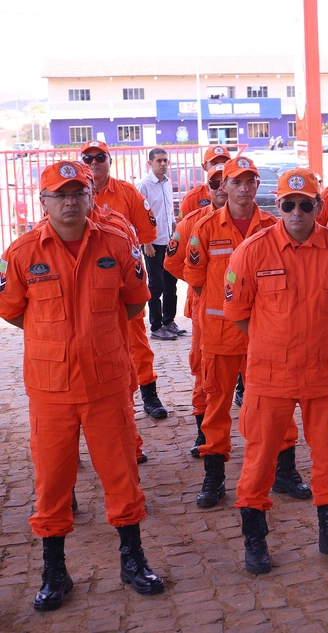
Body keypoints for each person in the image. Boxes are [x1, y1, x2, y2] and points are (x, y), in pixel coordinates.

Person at [0, 162, 164, 611]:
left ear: (92, 197)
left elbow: (133, 304)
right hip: (51, 390)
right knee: (52, 482)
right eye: (60, 194)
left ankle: (132, 559)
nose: (70, 202)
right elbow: (12, 310)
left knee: (121, 475)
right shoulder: (20, 252)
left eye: (78, 193)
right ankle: (55, 571)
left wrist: (96, 338)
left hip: (107, 384)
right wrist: (57, 342)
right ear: (44, 202)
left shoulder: (117, 243)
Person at [226, 168, 328, 572]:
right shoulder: (253, 251)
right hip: (270, 377)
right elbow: (238, 313)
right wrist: (275, 342)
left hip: (323, 374)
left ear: (320, 206)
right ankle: (255, 540)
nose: (297, 212)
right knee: (259, 460)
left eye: (306, 204)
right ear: (278, 205)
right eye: (289, 204)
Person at [184, 157, 309, 507]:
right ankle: (214, 476)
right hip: (220, 336)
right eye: (236, 181)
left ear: (257, 186)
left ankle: (285, 470)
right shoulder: (205, 228)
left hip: (263, 337)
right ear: (224, 185)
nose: (244, 187)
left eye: (250, 181)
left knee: (277, 406)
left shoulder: (273, 225)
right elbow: (195, 280)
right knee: (217, 407)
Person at [81, 140, 169, 424]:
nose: (94, 163)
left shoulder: (128, 193)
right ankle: (98, 402)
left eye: (100, 157)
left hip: (125, 279)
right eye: (88, 158)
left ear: (109, 160)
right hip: (85, 284)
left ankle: (148, 392)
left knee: (136, 338)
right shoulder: (72, 193)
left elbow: (146, 233)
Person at [166, 163, 229, 457]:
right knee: (205, 373)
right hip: (208, 312)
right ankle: (204, 434)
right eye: (214, 183)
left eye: (224, 182)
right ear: (208, 187)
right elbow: (172, 262)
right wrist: (204, 286)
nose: (220, 189)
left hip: (251, 316)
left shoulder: (263, 224)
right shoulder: (193, 223)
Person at [136, 148, 182, 341]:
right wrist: (146, 243)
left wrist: (175, 230)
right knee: (156, 285)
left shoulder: (167, 182)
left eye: (165, 160)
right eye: (159, 161)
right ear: (150, 163)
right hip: (152, 243)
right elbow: (138, 216)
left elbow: (169, 210)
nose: (163, 164)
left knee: (171, 283)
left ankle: (168, 320)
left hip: (168, 240)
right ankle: (156, 326)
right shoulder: (143, 185)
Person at [178, 145, 232, 218]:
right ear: (204, 167)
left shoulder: (239, 194)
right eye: (215, 163)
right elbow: (181, 223)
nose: (220, 166)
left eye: (224, 163)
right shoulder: (192, 198)